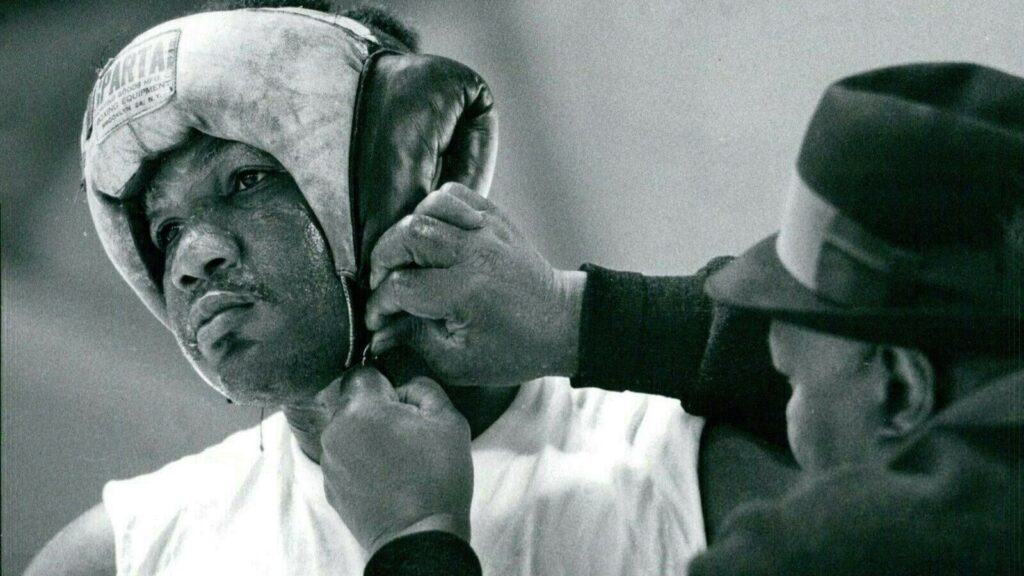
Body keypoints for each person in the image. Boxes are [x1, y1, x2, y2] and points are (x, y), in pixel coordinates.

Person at [27, 3, 788, 574]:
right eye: (164, 232)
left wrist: (413, 535)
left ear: (393, 187)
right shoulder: (122, 556)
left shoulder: (681, 470)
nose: (193, 259)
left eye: (248, 181)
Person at [338, 62, 1023, 574]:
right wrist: (572, 315)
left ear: (902, 389)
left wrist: (414, 536)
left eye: (791, 382)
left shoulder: (854, 552)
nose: (774, 403)